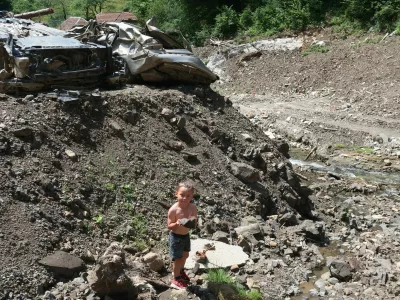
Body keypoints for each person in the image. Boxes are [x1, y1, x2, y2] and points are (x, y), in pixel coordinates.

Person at [168, 181, 198, 289]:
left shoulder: (193, 207)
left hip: (185, 235)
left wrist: (191, 221)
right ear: (176, 193)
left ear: (192, 196)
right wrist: (177, 223)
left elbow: (195, 220)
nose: (185, 198)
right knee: (178, 258)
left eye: (188, 196)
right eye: (182, 195)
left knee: (185, 255)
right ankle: (175, 279)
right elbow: (169, 226)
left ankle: (180, 271)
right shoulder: (173, 210)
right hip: (176, 237)